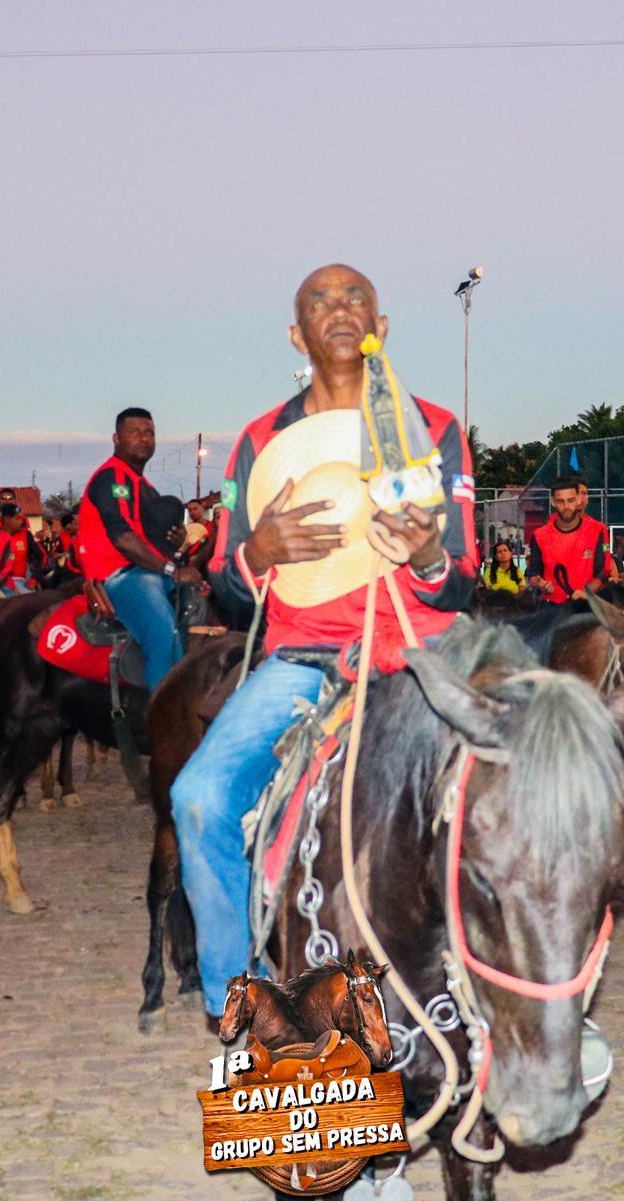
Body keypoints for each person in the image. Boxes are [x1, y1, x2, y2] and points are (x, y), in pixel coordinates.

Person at [173, 264, 476, 1025]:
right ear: (295, 334)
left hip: (419, 653)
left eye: (355, 298)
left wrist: (429, 556)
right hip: (303, 657)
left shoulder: (435, 429)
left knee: (526, 786)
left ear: (381, 325)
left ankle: (524, 998)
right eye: (320, 300)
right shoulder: (258, 441)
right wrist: (259, 551)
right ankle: (241, 1003)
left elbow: (461, 578)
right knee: (198, 799)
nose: (339, 309)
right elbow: (227, 582)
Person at [75, 407, 196, 691]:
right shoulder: (113, 477)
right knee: (162, 632)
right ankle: (164, 710)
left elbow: (151, 538)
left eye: (150, 433)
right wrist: (171, 569)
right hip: (119, 575)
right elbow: (123, 537)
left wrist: (176, 543)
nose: (144, 438)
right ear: (116, 438)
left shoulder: (143, 485)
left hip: (147, 570)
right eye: (135, 432)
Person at [528, 478, 615, 603]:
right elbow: (533, 572)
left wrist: (586, 592)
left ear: (579, 500)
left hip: (587, 602)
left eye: (571, 500)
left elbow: (604, 570)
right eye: (560, 501)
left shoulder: (598, 530)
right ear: (553, 502)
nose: (566, 506)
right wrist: (539, 583)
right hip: (552, 603)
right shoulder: (539, 535)